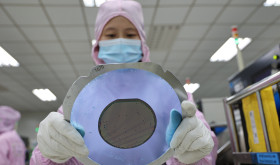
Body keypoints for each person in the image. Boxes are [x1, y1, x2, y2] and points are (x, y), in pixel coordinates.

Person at [30, 0, 218, 164]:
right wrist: (50, 154)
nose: (120, 41)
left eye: (130, 35)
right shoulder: (81, 98)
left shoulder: (170, 94)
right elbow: (52, 155)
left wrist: (195, 152)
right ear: (98, 43)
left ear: (142, 41)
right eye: (111, 35)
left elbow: (204, 148)